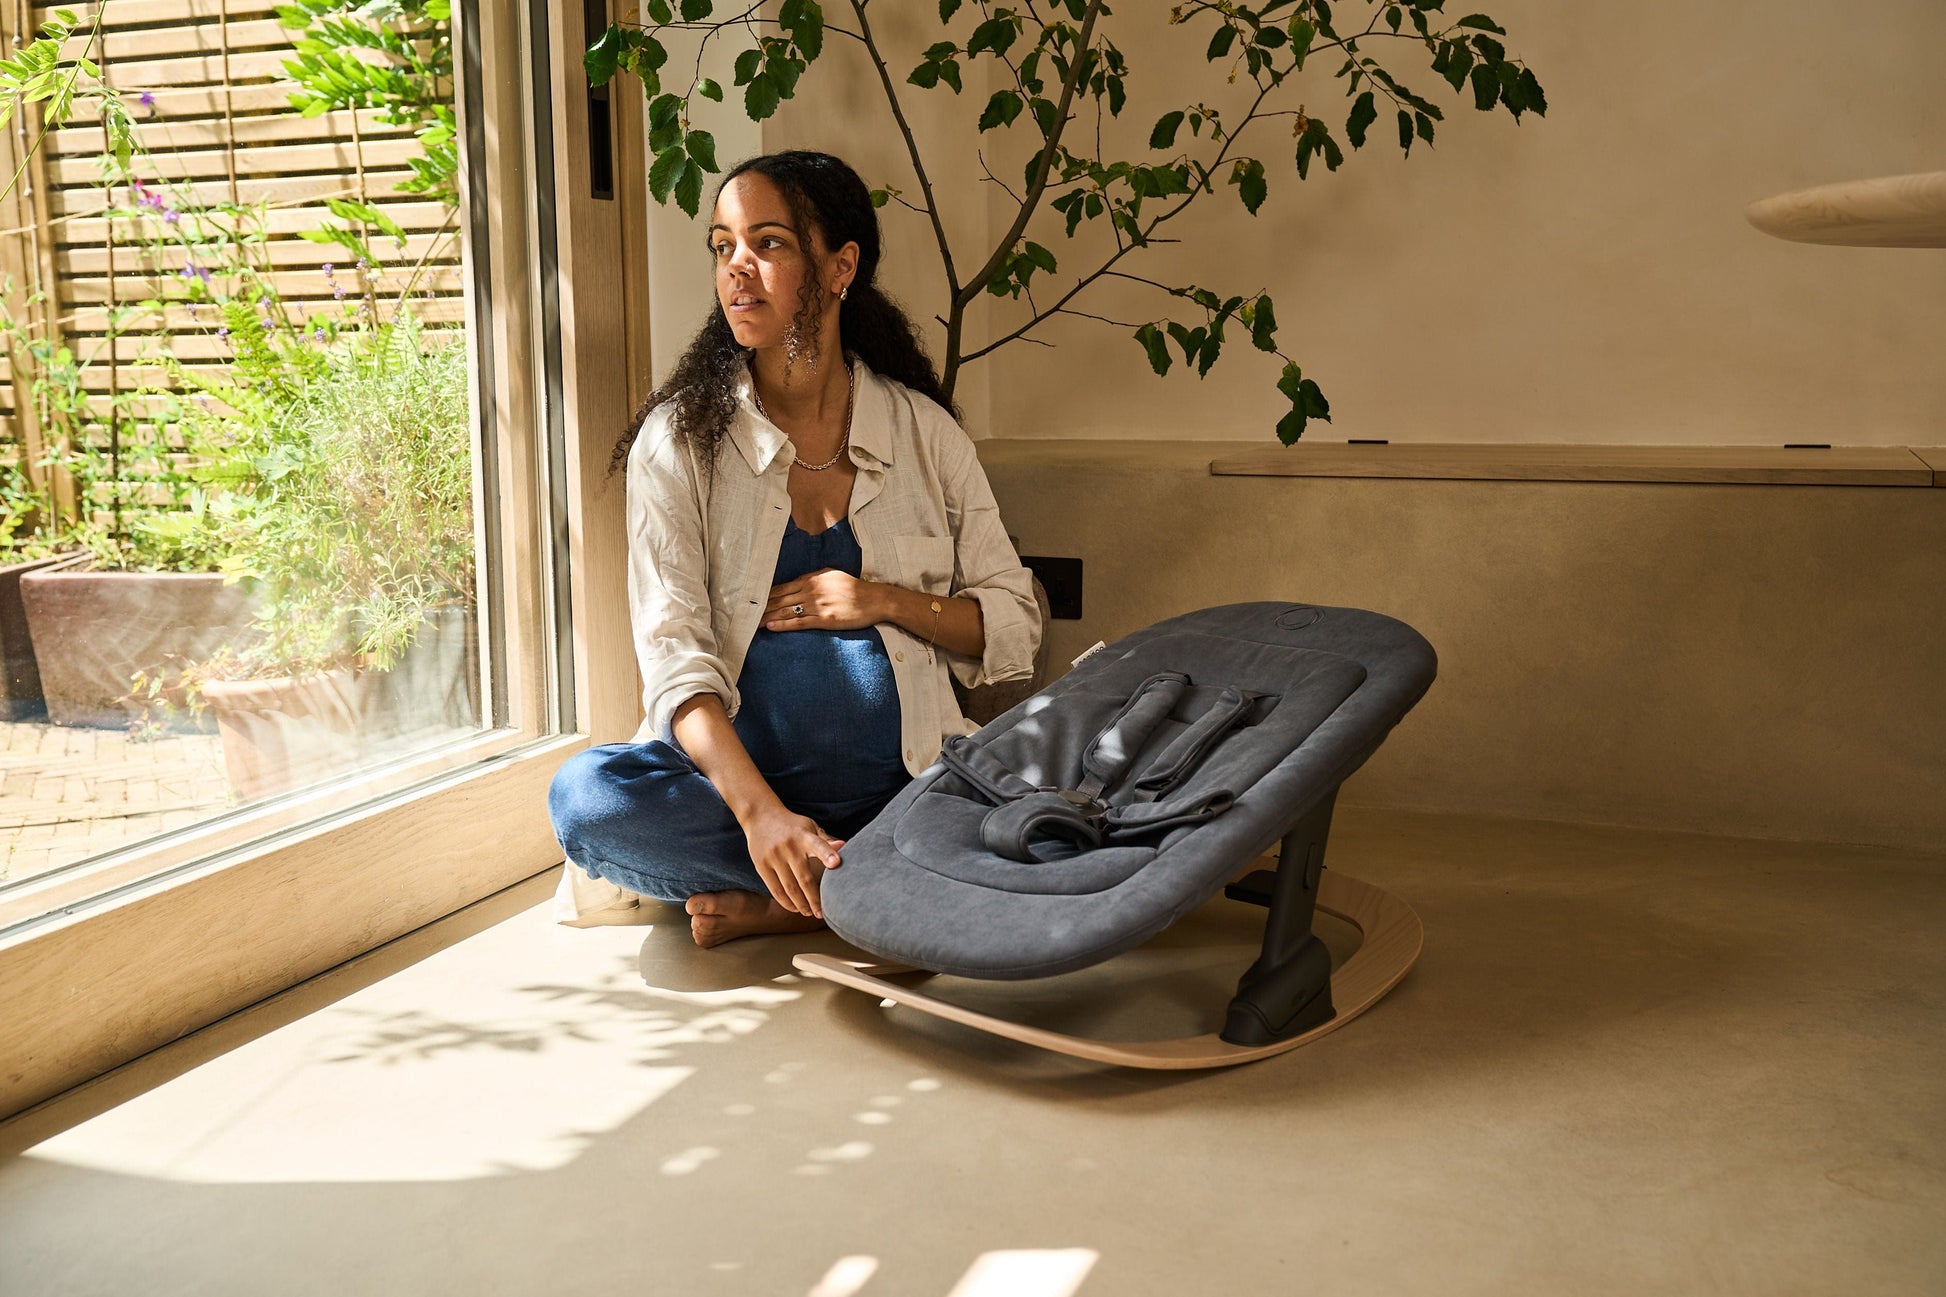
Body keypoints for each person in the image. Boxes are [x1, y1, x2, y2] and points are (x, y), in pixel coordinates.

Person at [547, 150, 1042, 949]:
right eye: (723, 246)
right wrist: (760, 814)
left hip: (907, 791)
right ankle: (856, 882)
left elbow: (1016, 624)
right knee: (588, 799)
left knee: (1055, 803)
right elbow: (675, 661)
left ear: (841, 267)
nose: (736, 267)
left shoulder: (926, 435)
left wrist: (882, 599)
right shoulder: (678, 442)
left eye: (768, 243)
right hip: (735, 801)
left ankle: (788, 900)